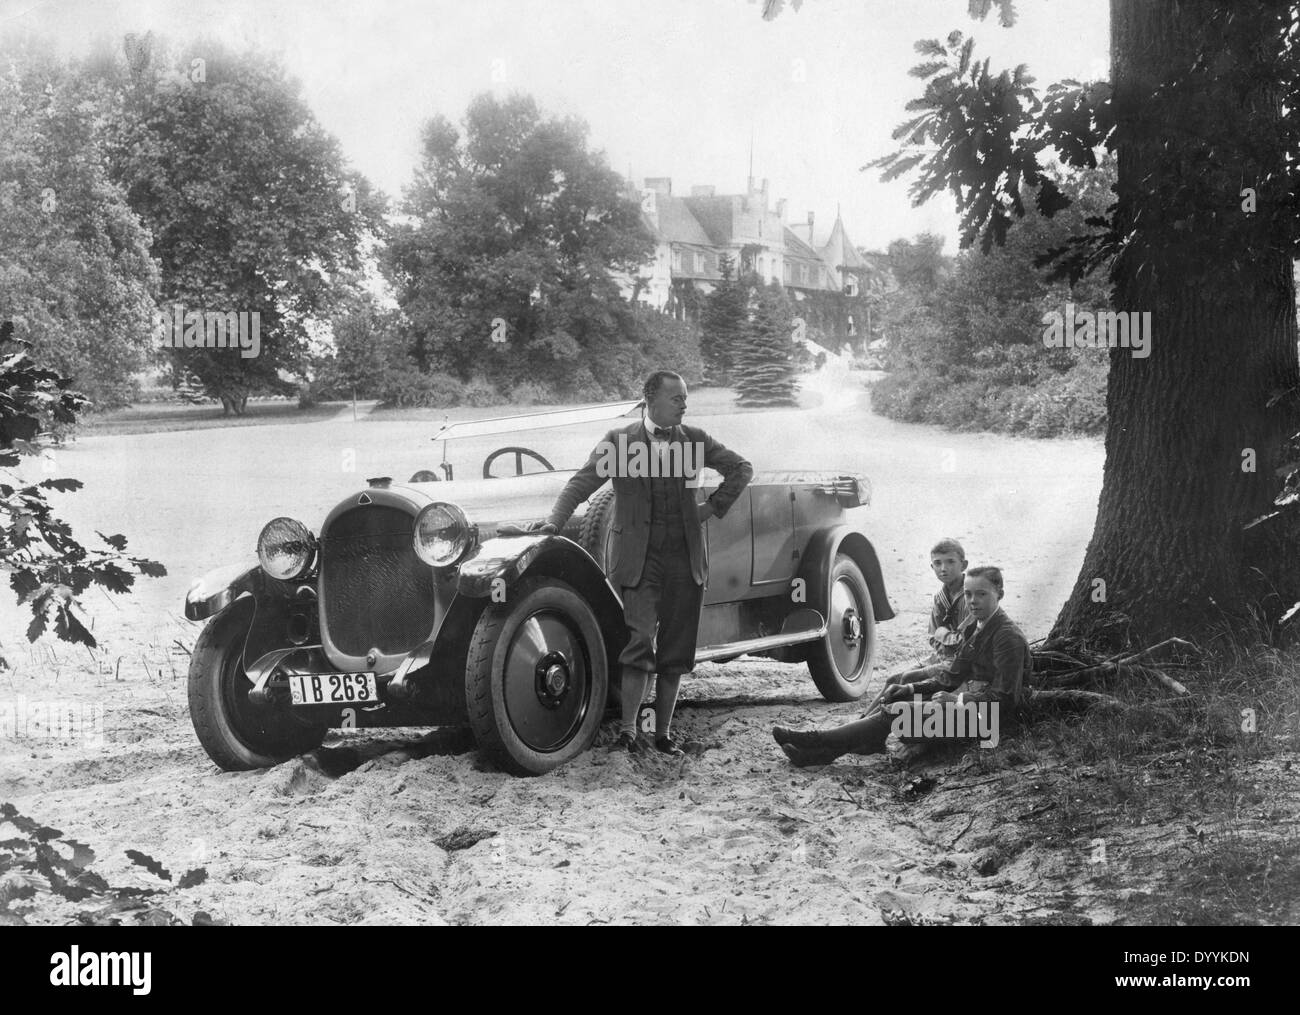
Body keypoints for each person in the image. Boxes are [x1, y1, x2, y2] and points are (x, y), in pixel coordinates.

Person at [539, 370, 753, 756]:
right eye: (677, 399)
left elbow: (742, 469)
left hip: (684, 561)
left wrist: (711, 508)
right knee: (638, 643)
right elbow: (581, 484)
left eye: (686, 399)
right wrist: (554, 521)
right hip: (638, 562)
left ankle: (664, 734)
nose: (684, 406)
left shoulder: (695, 440)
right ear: (650, 400)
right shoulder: (619, 443)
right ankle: (627, 732)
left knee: (675, 650)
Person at [773, 566, 1030, 766]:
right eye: (969, 594)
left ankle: (817, 742)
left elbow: (1006, 698)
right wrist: (910, 689)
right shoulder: (976, 625)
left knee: (896, 713)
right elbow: (951, 676)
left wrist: (958, 700)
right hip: (968, 711)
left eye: (982, 594)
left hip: (988, 724)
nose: (973, 601)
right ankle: (824, 752)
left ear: (1000, 595)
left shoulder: (1007, 637)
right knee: (898, 696)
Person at [876, 538, 971, 699]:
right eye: (937, 563)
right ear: (932, 566)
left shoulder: (970, 596)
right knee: (893, 679)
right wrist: (944, 637)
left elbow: (964, 641)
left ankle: (880, 716)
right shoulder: (940, 598)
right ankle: (865, 718)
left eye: (950, 562)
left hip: (959, 663)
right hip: (942, 657)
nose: (943, 569)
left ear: (963, 565)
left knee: (907, 680)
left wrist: (943, 635)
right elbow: (933, 637)